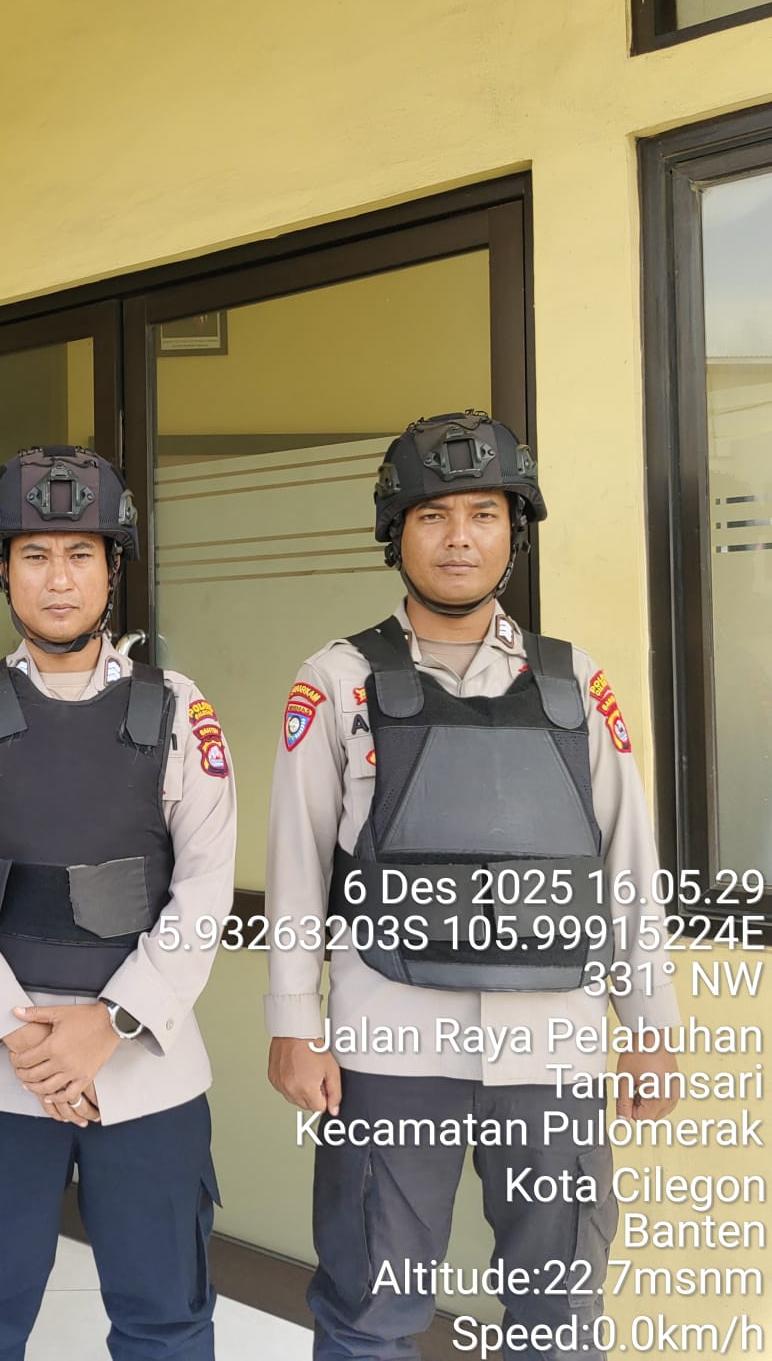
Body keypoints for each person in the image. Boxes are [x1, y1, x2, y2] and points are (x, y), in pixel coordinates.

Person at [265, 411, 681, 1361]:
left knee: (558, 1316)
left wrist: (651, 1026)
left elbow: (626, 866)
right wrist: (293, 1021)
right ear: (396, 532)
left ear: (513, 532)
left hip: (554, 1050)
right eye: (434, 515)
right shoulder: (336, 681)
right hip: (388, 1043)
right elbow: (297, 866)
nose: (459, 537)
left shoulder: (576, 684)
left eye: (484, 514)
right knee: (369, 1311)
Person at [0, 445, 236, 1361]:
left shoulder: (178, 710)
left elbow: (205, 885)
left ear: (112, 568)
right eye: (35, 555)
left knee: (167, 1324)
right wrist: (23, 1039)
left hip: (146, 1071)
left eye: (80, 554)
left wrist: (109, 1022)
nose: (58, 579)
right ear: (3, 570)